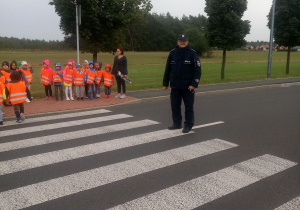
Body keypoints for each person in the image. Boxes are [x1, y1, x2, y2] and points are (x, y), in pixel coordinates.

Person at [163, 34, 201, 133]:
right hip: (175, 85)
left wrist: (194, 84)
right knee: (175, 106)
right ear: (177, 42)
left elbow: (197, 70)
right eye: (180, 40)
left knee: (188, 107)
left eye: (184, 41)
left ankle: (188, 124)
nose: (182, 42)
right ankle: (176, 123)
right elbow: (168, 69)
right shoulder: (172, 53)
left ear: (187, 42)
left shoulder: (192, 53)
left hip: (188, 87)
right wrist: (165, 83)